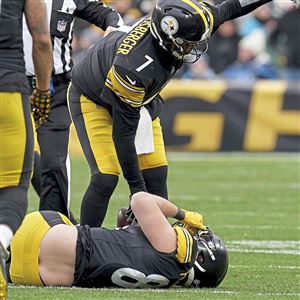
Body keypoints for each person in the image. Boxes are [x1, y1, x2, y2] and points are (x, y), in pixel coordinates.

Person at [68, 0, 283, 227]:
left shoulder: (186, 25)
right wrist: (137, 193)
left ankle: (150, 248)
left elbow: (230, 8)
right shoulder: (133, 66)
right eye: (188, 44)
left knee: (156, 176)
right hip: (93, 98)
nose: (194, 48)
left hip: (140, 99)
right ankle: (84, 245)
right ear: (167, 39)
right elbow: (123, 136)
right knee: (106, 177)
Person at [22, 0, 124, 223]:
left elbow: (108, 14)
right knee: (15, 157)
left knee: (54, 162)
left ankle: (52, 229)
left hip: (55, 86)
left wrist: (113, 28)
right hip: (12, 84)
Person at [9, 192, 228, 288]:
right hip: (29, 275)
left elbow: (140, 199)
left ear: (200, 256)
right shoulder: (167, 278)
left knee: (61, 217)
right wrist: (128, 227)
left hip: (43, 234)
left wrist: (182, 214)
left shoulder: (181, 252)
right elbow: (125, 248)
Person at [0, 0, 53, 299]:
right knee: (14, 185)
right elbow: (42, 38)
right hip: (6, 86)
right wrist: (43, 89)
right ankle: (2, 238)